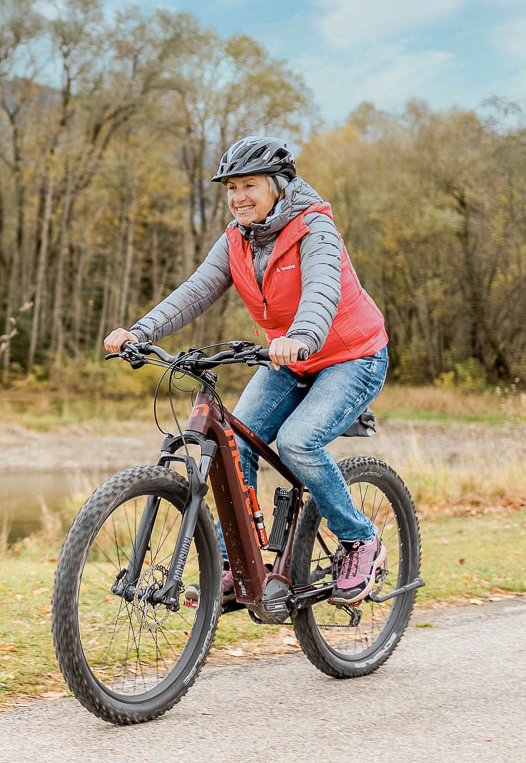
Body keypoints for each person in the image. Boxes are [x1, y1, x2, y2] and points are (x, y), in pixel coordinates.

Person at [103, 135, 390, 604]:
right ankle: (241, 564)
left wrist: (301, 338)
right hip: (290, 359)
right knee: (235, 442)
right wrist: (142, 332)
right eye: (231, 187)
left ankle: (361, 540)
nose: (238, 197)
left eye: (250, 185)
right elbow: (195, 291)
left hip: (350, 357)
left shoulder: (314, 230)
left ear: (279, 186)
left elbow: (321, 292)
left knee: (299, 441)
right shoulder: (236, 238)